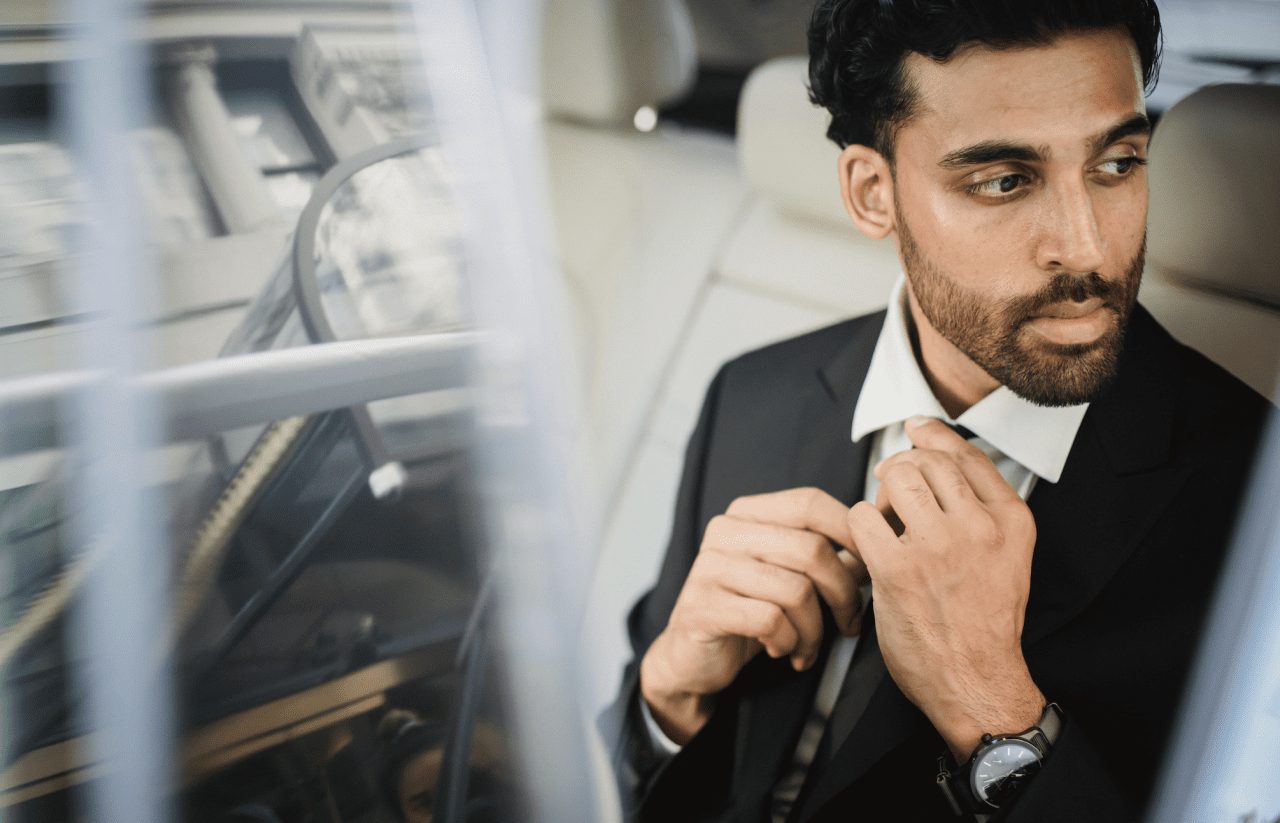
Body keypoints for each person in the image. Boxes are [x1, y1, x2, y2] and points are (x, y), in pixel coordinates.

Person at [600, 1, 1273, 821]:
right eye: (1005, 180)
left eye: (1117, 163)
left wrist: (996, 716)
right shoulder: (752, 396)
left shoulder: (1257, 505)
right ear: (872, 192)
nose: (1087, 246)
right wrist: (665, 700)